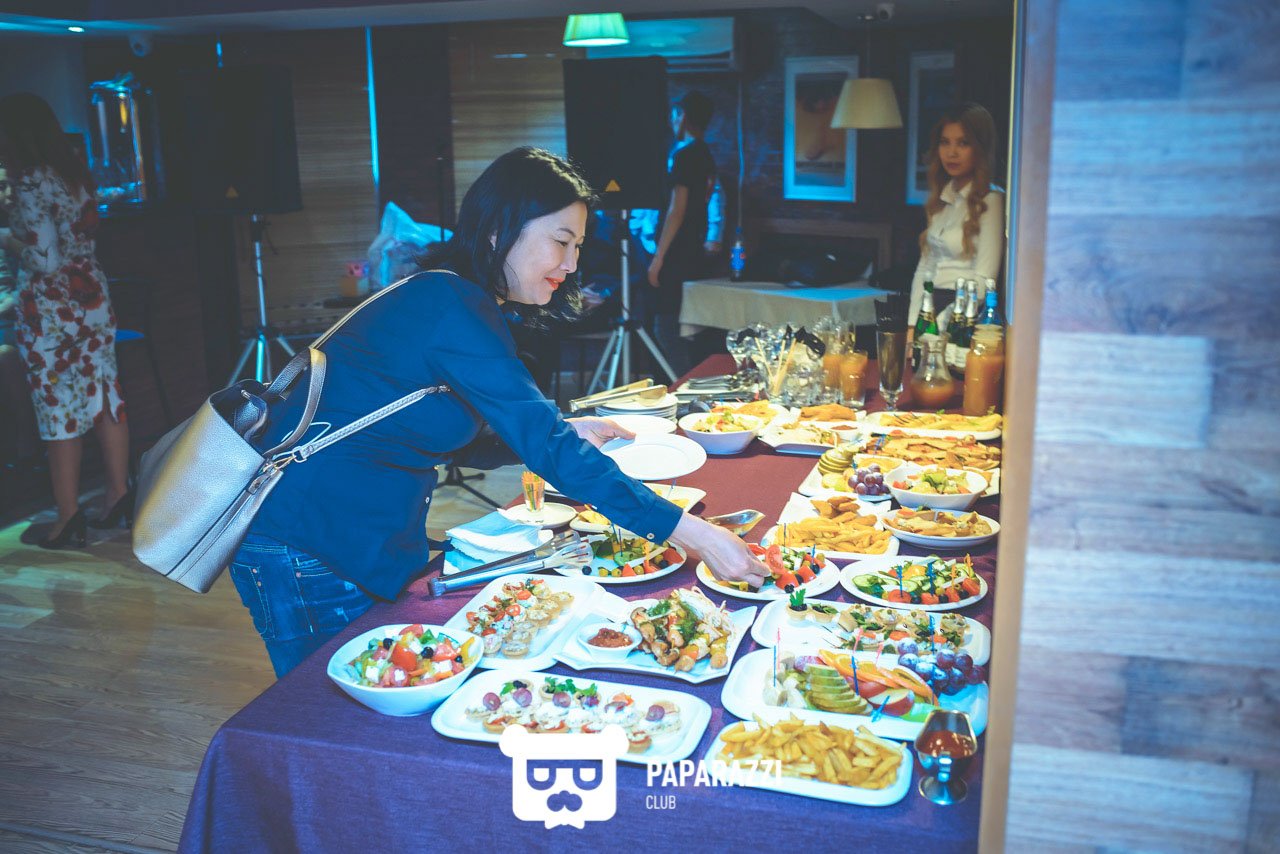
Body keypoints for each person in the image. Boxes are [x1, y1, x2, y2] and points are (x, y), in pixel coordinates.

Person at [232, 147, 766, 677]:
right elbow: (549, 450)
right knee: (324, 709)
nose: (571, 264)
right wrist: (695, 534)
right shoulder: (452, 306)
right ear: (496, 231)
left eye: (578, 246)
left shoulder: (453, 298)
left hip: (348, 536)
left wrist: (562, 430)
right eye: (561, 242)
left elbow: (450, 432)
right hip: (306, 542)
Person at [0, 93, 131, 548]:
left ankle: (68, 515)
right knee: (105, 396)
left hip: (50, 311)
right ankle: (117, 496)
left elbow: (44, 258)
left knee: (57, 408)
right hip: (91, 297)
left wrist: (5, 237)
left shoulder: (30, 181)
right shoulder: (75, 172)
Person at [907, 103, 1005, 332]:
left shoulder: (990, 200)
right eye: (945, 142)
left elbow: (985, 280)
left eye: (963, 143)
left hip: (961, 315)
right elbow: (924, 270)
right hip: (929, 310)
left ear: (979, 148)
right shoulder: (940, 200)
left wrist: (944, 323)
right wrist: (913, 326)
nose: (951, 153)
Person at [645, 90, 717, 376]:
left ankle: (681, 384)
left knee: (666, 328)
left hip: (677, 252)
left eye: (675, 115)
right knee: (680, 328)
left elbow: (677, 209)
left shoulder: (685, 155)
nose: (672, 121)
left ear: (683, 116)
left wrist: (659, 257)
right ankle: (684, 382)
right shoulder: (705, 154)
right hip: (694, 247)